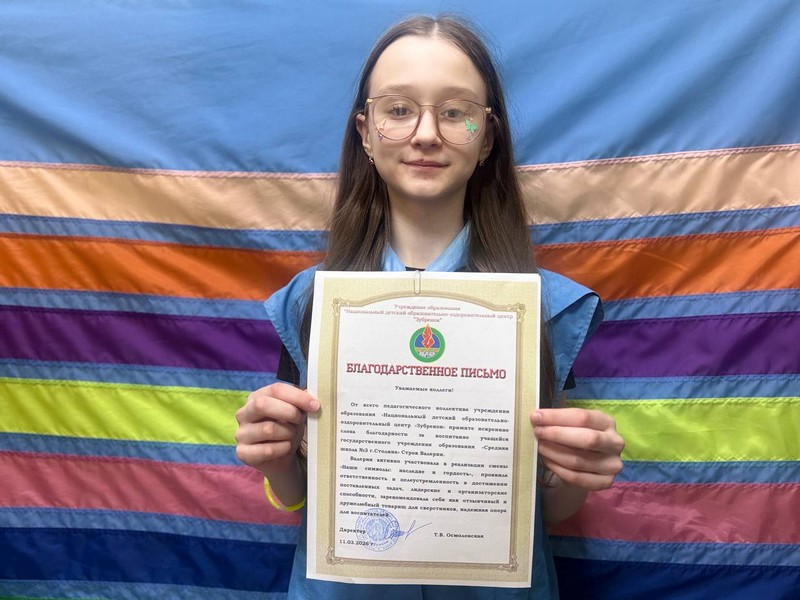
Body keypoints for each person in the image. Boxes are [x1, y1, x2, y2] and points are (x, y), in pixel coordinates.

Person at [235, 14, 624, 599]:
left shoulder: (544, 310)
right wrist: (274, 459)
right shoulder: (310, 303)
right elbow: (300, 497)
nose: (425, 133)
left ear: (487, 138)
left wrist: (578, 474)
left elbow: (546, 510)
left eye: (455, 111)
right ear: (365, 133)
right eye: (398, 109)